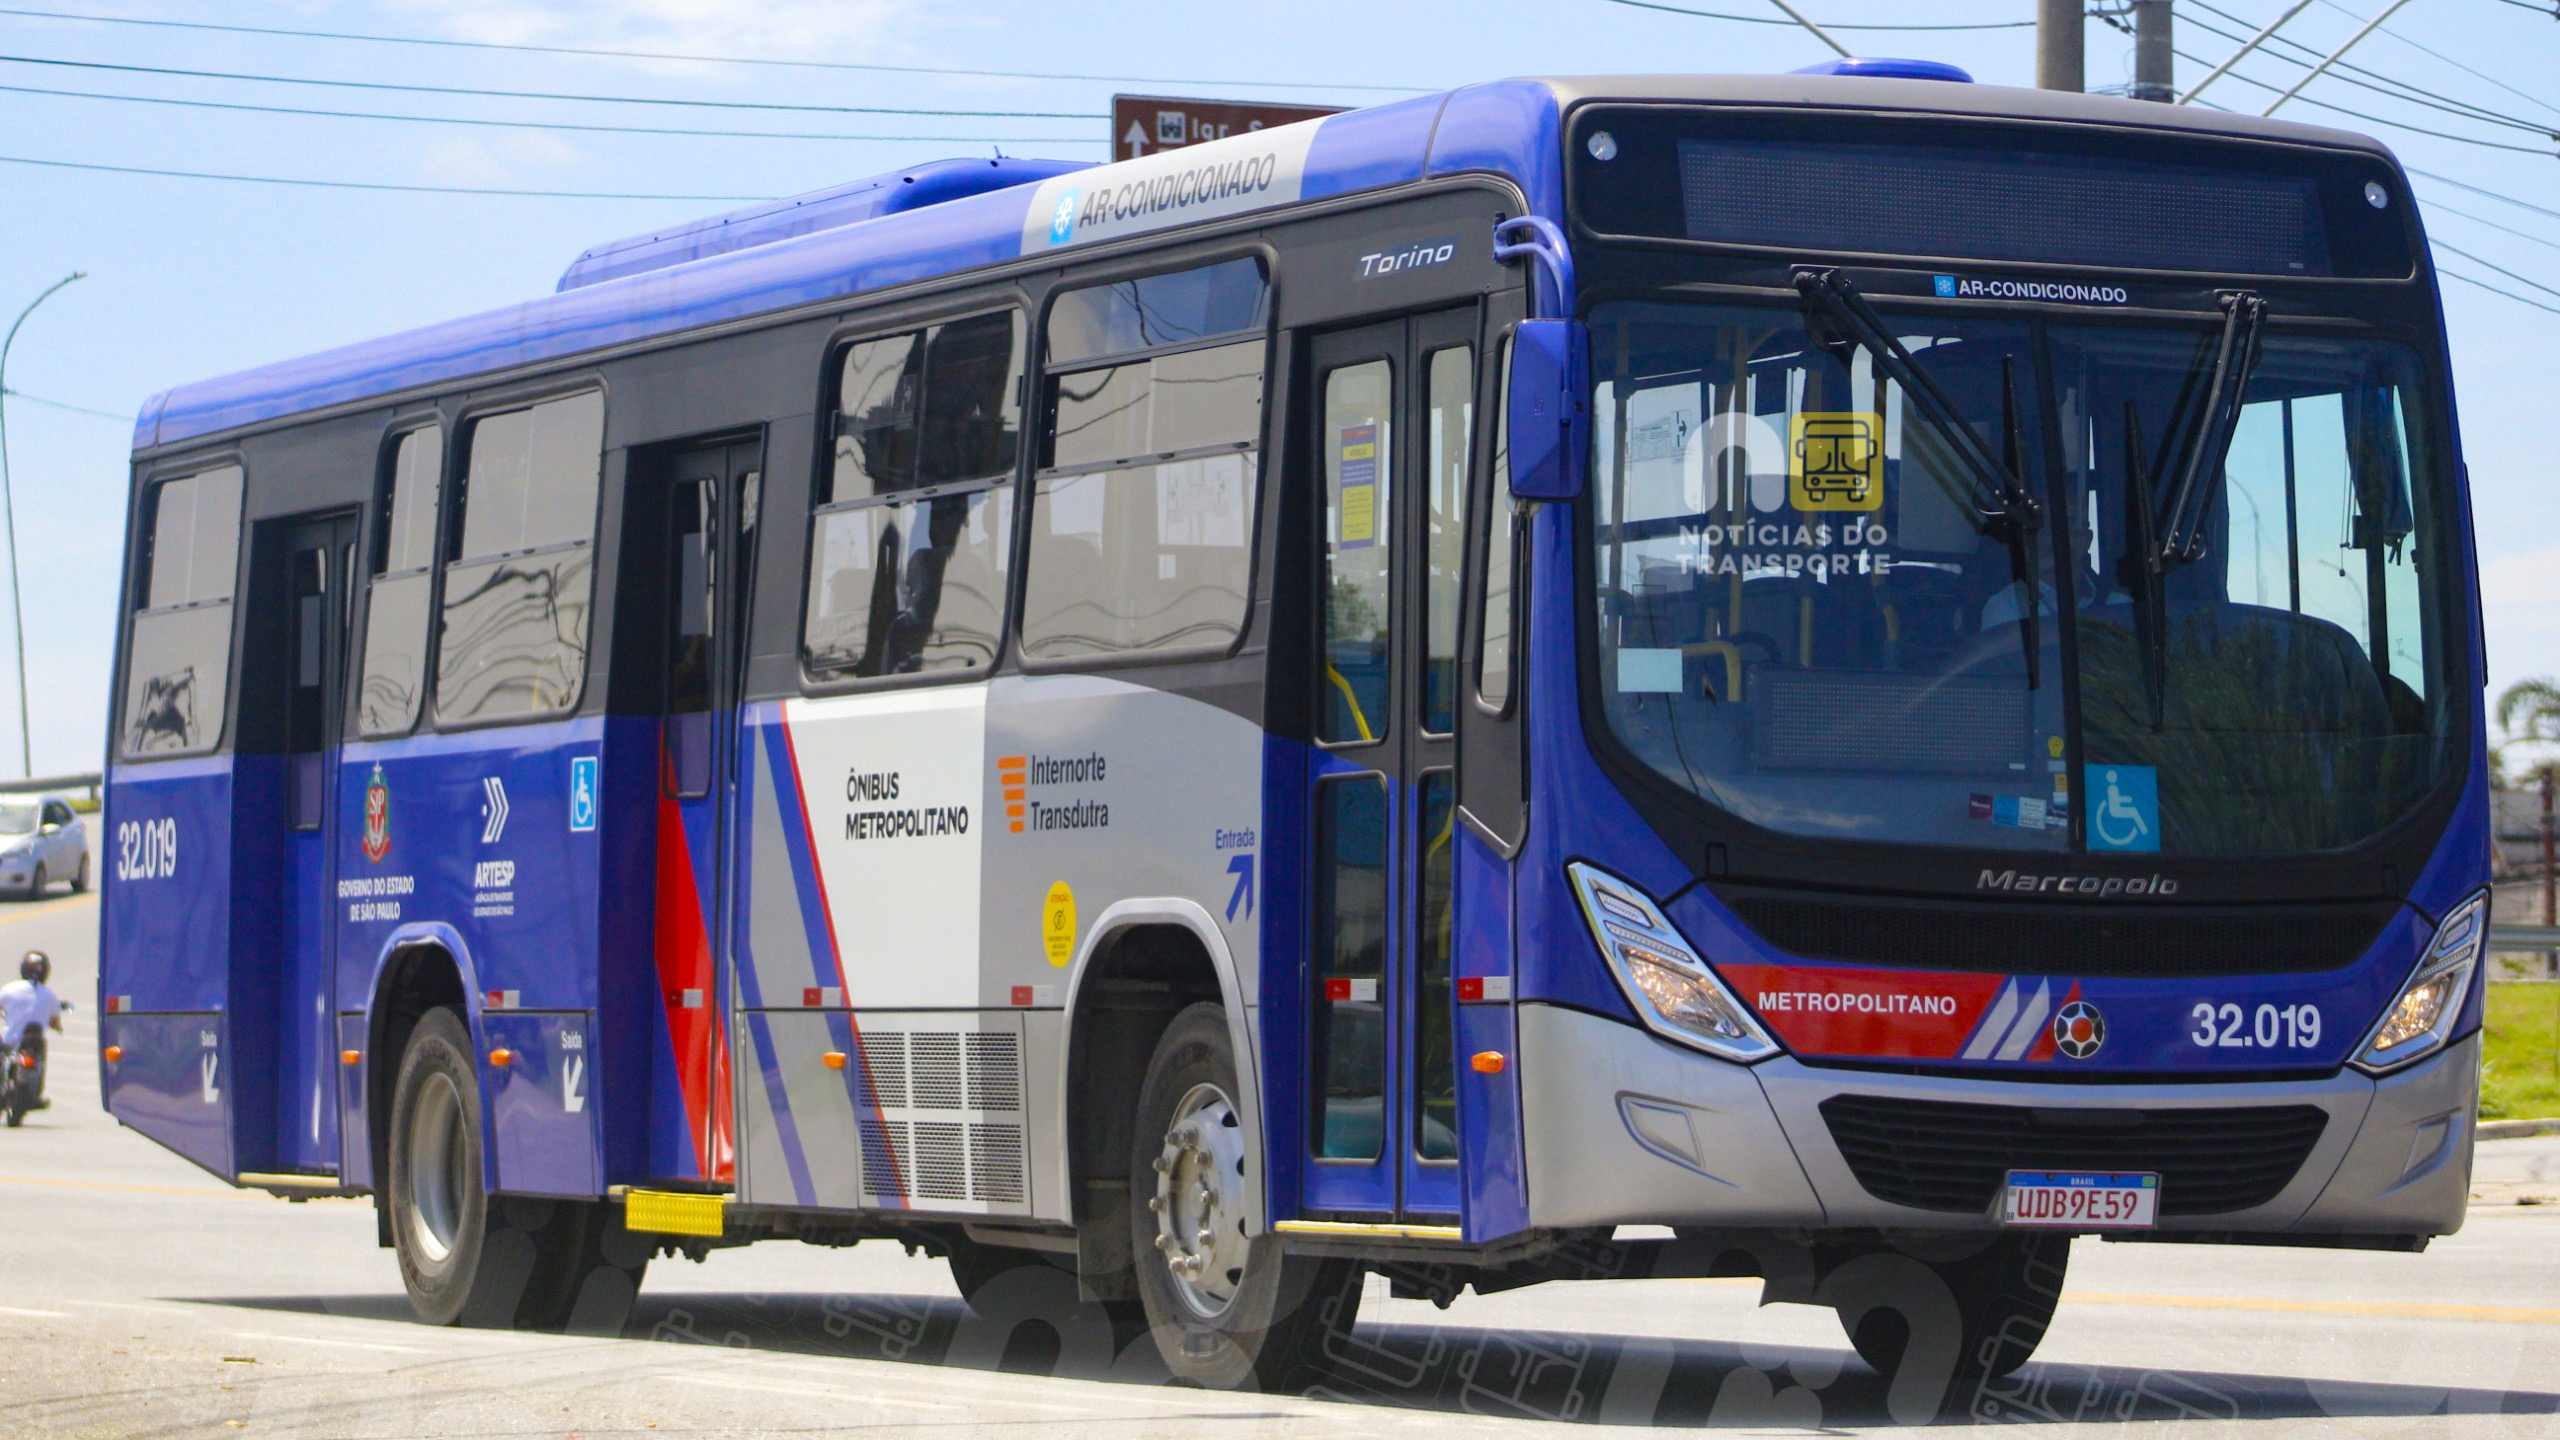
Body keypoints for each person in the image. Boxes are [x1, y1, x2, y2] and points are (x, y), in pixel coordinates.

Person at [0, 950, 63, 1111]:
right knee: (39, 1060)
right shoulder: (49, 995)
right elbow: (55, 1020)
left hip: (10, 1040)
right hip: (34, 1044)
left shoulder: (10, 989)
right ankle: (34, 1094)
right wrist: (57, 1027)